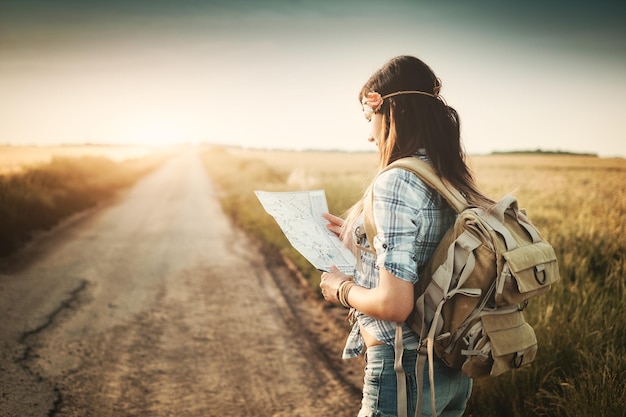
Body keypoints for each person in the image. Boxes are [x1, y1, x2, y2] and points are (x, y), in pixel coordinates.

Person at [319, 55, 492, 417]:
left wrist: (341, 289)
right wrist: (358, 235)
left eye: (371, 118)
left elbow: (396, 304)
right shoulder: (449, 174)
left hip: (404, 368)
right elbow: (431, 254)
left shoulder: (395, 182)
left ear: (391, 112)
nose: (369, 134)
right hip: (451, 365)